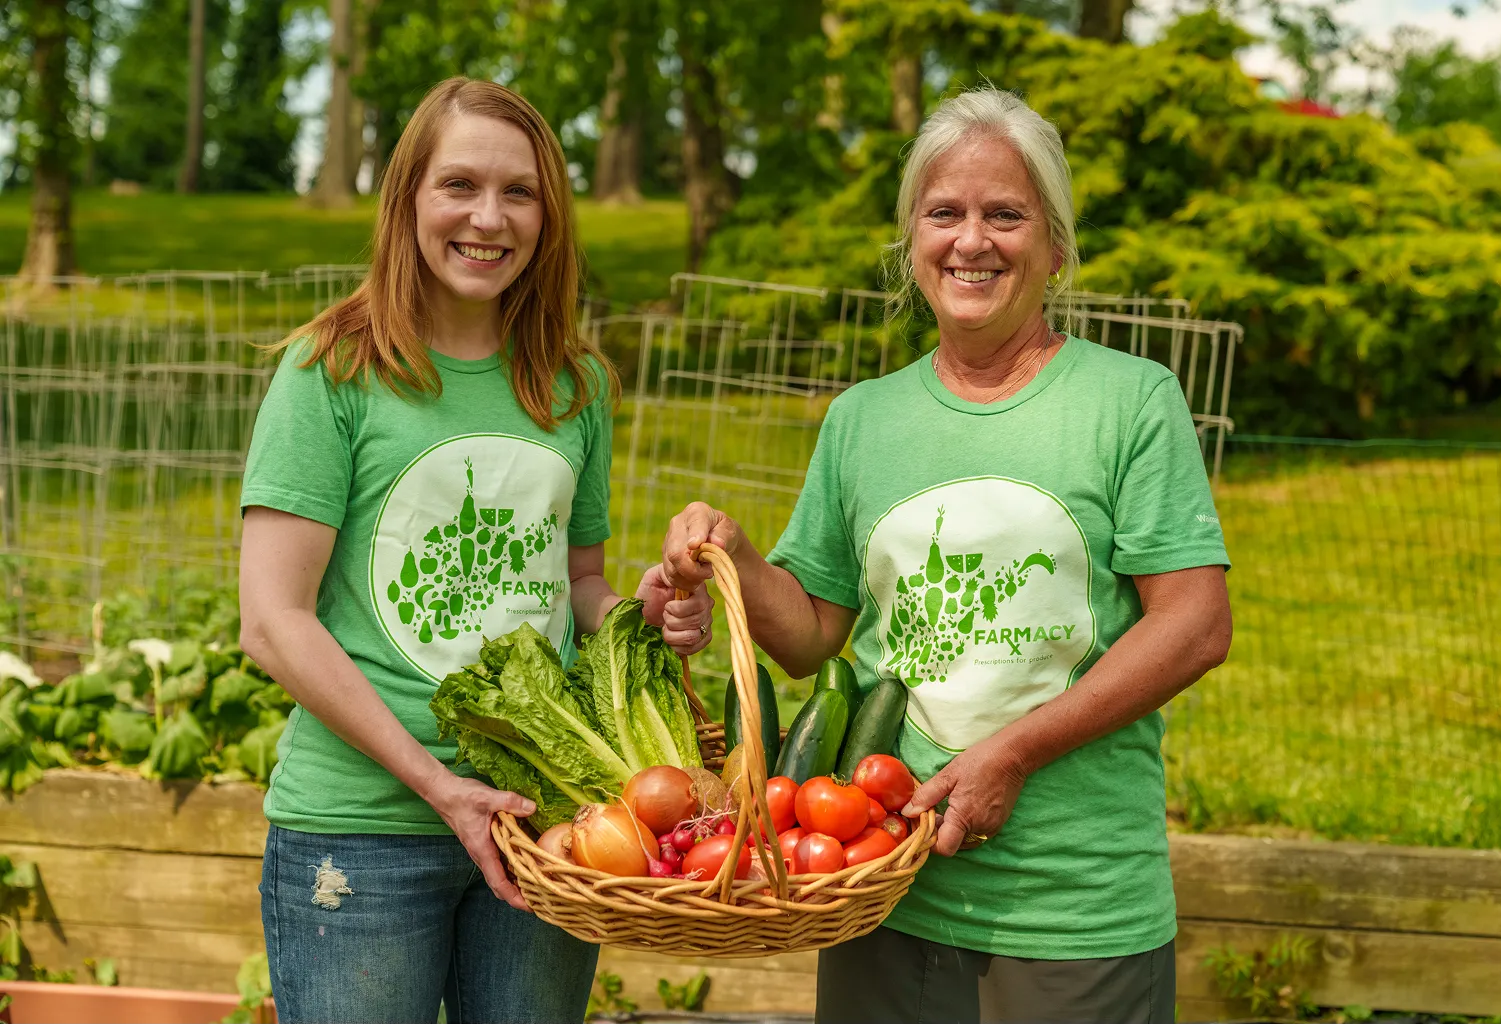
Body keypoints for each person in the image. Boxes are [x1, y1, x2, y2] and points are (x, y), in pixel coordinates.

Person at [662, 88, 1232, 1024]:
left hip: (1072, 904)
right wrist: (734, 553)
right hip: (876, 882)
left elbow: (1196, 623)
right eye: (945, 214)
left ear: (1054, 244)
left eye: (1006, 214)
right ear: (911, 244)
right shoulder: (863, 420)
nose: (973, 241)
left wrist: (1012, 752)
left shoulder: (1131, 401)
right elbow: (810, 638)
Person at [238, 77, 712, 1025]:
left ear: (550, 215)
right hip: (364, 832)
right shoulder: (331, 372)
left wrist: (645, 616)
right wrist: (441, 786)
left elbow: (574, 581)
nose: (488, 218)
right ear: (408, 195)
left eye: (519, 193)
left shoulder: (573, 385)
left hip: (550, 827)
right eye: (459, 185)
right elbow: (272, 623)